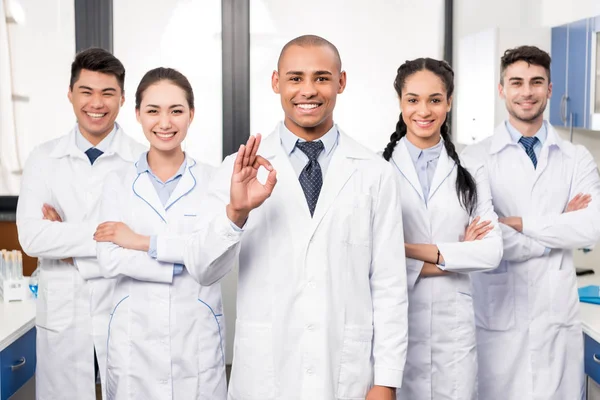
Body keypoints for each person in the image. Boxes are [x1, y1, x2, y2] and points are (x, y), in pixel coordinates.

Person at [152, 35, 409, 400]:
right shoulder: (236, 169)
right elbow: (202, 268)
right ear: (276, 83)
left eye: (321, 77)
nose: (308, 90)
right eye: (295, 78)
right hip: (266, 375)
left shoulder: (374, 172)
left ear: (341, 82)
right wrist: (235, 213)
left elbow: (389, 286)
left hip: (345, 373)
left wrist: (385, 381)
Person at [461, 45, 600, 400]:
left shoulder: (576, 157)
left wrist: (519, 223)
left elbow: (592, 227)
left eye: (537, 82)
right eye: (517, 82)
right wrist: (561, 225)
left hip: (557, 322)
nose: (527, 92)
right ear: (501, 89)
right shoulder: (476, 157)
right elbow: (488, 242)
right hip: (498, 325)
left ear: (550, 90)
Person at [16, 48, 146, 399]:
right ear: (70, 94)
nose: (96, 103)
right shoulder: (44, 158)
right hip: (64, 314)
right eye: (86, 91)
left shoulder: (142, 160)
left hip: (124, 307)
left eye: (107, 93)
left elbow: (148, 242)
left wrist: (66, 240)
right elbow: (32, 237)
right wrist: (112, 237)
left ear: (121, 98)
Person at [93, 67, 228, 399]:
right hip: (133, 337)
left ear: (191, 114)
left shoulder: (215, 181)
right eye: (153, 111)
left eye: (176, 111)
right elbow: (108, 258)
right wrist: (178, 260)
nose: (164, 123)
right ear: (137, 114)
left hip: (194, 337)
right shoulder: (116, 181)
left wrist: (141, 242)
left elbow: (211, 257)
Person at [381, 57, 503, 400]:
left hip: (454, 334)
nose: (424, 110)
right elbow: (369, 259)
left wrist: (402, 248)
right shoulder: (377, 169)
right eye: (413, 99)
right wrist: (457, 254)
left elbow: (491, 251)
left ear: (449, 102)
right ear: (401, 103)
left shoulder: (471, 167)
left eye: (435, 99)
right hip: (395, 328)